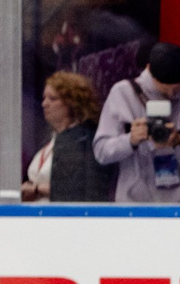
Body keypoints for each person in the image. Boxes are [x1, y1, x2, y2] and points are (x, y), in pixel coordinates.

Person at [93, 39, 180, 204]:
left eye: (177, 89)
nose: (172, 94)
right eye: (164, 89)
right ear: (149, 70)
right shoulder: (123, 94)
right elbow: (101, 152)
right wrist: (130, 141)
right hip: (133, 207)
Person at [23, 70, 116, 202]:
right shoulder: (52, 141)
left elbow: (80, 190)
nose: (44, 104)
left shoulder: (85, 141)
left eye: (53, 98)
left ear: (72, 103)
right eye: (44, 98)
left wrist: (36, 189)